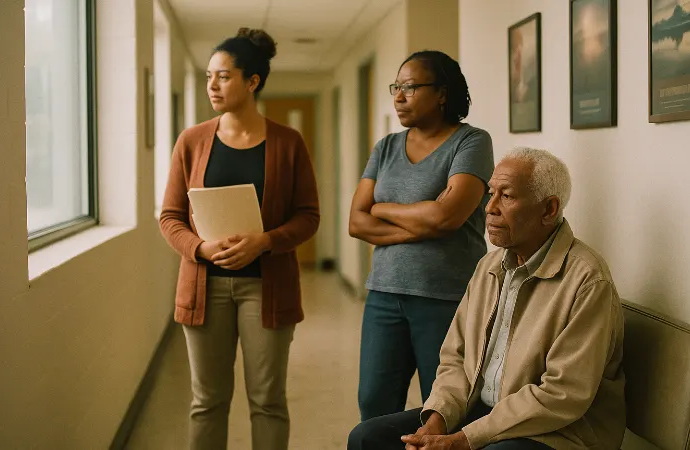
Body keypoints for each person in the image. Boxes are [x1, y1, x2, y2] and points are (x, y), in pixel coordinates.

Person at [348, 148, 625, 450]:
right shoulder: (489, 266)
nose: (489, 208)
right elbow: (455, 357)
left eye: (507, 196)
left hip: (556, 431)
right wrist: (438, 420)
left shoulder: (587, 280)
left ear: (548, 209)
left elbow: (562, 394)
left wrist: (463, 440)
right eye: (491, 194)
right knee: (366, 437)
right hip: (482, 412)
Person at [159, 28, 320, 450]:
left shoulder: (288, 142)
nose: (212, 85)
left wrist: (264, 241)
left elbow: (308, 217)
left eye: (224, 76)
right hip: (204, 287)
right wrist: (200, 248)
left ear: (252, 81)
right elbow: (170, 217)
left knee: (268, 401)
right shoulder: (191, 141)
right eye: (209, 76)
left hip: (266, 288)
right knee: (207, 402)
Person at [348, 50, 494, 421]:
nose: (398, 97)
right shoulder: (385, 147)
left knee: (443, 409)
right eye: (395, 87)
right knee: (374, 404)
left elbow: (447, 217)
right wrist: (421, 222)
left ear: (442, 93)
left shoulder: (471, 142)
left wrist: (382, 208)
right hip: (383, 294)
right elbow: (356, 222)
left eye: (410, 87)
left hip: (445, 296)